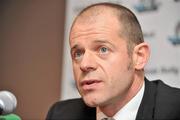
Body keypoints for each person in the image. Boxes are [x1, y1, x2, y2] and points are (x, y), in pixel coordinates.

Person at [46, 2, 180, 120]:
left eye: (103, 49)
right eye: (78, 53)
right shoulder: (61, 114)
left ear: (139, 57)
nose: (85, 64)